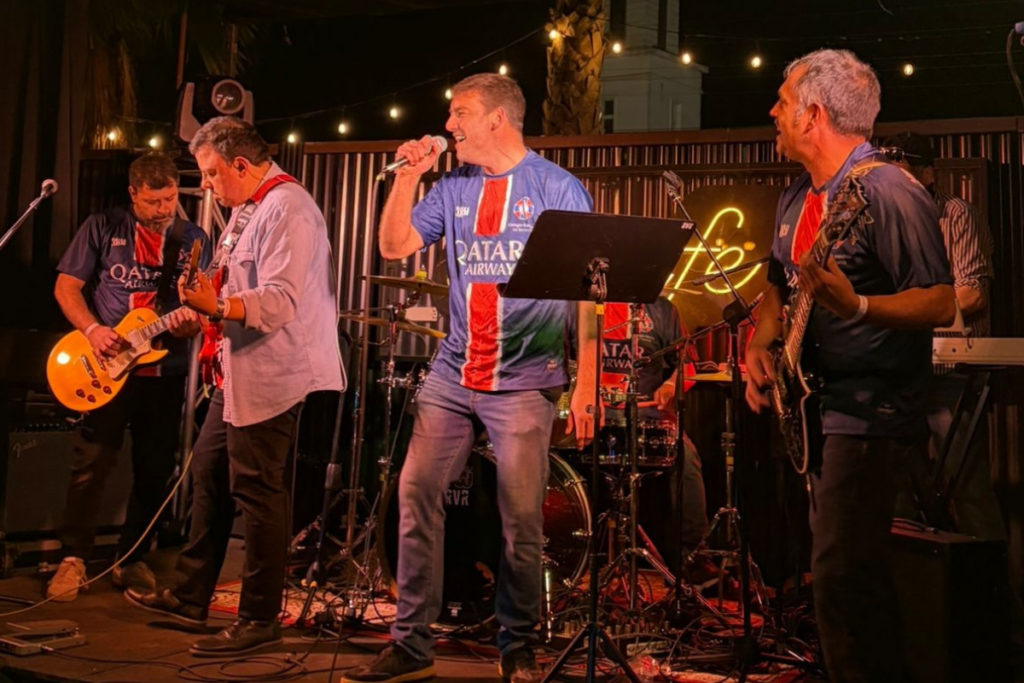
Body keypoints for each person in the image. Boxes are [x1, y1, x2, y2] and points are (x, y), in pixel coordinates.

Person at [342, 73, 595, 683]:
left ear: (496, 119)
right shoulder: (453, 185)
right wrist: (407, 176)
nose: (449, 125)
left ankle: (518, 646)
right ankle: (411, 645)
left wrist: (587, 380)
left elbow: (589, 290)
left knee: (521, 519)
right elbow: (394, 246)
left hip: (527, 377)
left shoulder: (556, 187)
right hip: (454, 372)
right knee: (414, 493)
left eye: (459, 113)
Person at [744, 50, 955, 682]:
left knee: (840, 578)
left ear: (812, 116)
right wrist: (761, 341)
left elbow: (940, 301)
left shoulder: (889, 190)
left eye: (783, 101)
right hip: (817, 411)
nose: (772, 112)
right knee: (846, 580)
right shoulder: (796, 196)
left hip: (871, 413)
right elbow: (778, 286)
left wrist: (858, 305)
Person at [125, 117, 345, 657]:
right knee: (209, 474)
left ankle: (259, 618)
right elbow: (228, 286)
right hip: (237, 369)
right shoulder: (249, 208)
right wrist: (202, 309)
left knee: (258, 490)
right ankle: (191, 596)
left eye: (210, 174)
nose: (206, 186)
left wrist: (218, 305)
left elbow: (280, 299)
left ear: (240, 165)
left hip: (274, 371)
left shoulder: (288, 208)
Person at [48, 154, 207, 603]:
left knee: (155, 469)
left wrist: (190, 324)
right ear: (133, 193)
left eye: (170, 199)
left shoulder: (193, 238)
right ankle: (73, 558)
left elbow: (199, 311)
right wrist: (92, 330)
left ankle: (132, 556)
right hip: (105, 366)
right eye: (154, 201)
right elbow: (66, 286)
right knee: (91, 464)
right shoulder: (103, 226)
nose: (163, 209)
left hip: (164, 371)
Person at [882, 131, 1004, 540]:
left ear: (928, 174)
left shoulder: (956, 215)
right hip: (901, 370)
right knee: (897, 486)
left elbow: (972, 295)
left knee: (965, 484)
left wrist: (902, 314)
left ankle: (990, 577)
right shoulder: (885, 223)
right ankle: (916, 574)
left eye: (902, 175)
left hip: (950, 369)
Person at [599, 299, 710, 581]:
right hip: (596, 415)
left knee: (686, 457)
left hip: (649, 416)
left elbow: (688, 364)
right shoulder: (585, 304)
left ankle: (693, 560)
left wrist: (672, 385)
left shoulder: (662, 309)